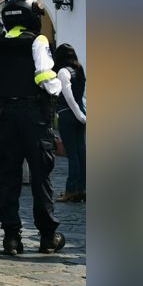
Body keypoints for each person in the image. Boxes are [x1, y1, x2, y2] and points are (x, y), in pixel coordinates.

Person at [0, 0, 65, 255]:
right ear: (32, 16)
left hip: (5, 116)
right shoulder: (38, 41)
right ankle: (47, 237)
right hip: (34, 116)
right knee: (40, 177)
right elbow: (44, 74)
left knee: (8, 177)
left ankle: (11, 238)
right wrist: (55, 88)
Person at [54, 44, 86, 203]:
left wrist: (79, 115)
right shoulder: (79, 70)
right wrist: (82, 115)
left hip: (68, 115)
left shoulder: (62, 72)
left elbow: (68, 97)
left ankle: (71, 190)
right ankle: (83, 189)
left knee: (72, 154)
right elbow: (80, 96)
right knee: (81, 153)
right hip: (80, 113)